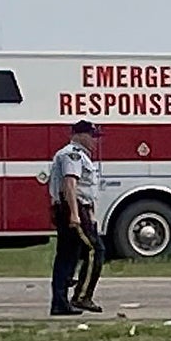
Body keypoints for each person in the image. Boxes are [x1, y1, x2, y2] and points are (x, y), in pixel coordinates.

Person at [47, 120, 104, 316]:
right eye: (91, 136)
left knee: (68, 255)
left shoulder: (78, 155)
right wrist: (74, 213)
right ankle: (82, 296)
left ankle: (60, 303)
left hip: (75, 208)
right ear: (79, 135)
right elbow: (70, 184)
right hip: (73, 207)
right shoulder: (73, 154)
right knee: (95, 250)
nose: (94, 141)